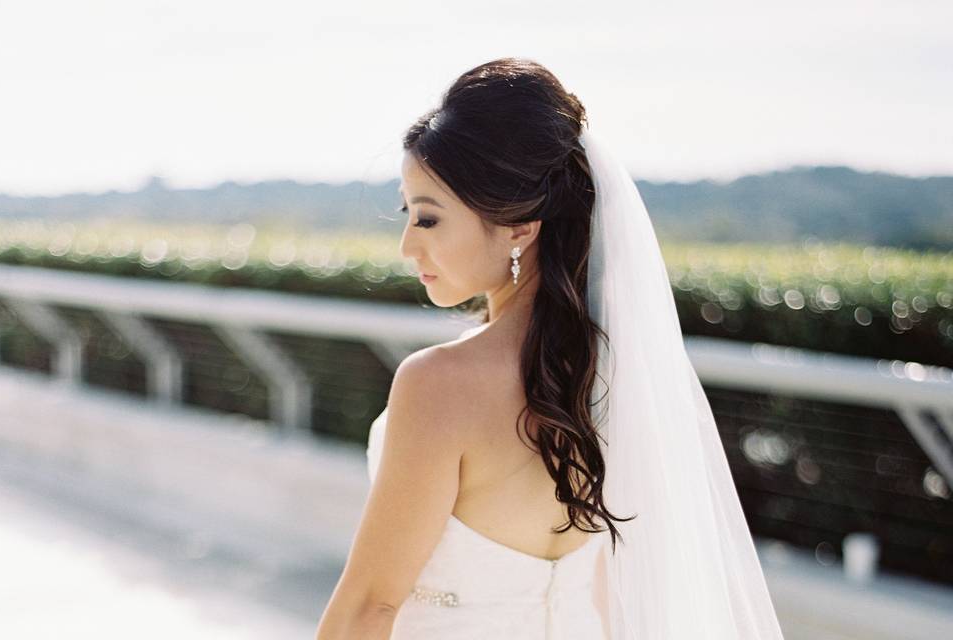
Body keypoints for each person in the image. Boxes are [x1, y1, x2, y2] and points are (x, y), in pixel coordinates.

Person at [315, 57, 786, 640]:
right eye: (407, 215)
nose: (408, 246)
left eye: (429, 219)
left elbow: (369, 606)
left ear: (520, 225)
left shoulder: (438, 383)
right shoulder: (613, 373)